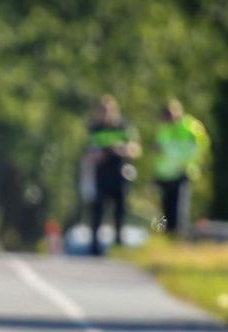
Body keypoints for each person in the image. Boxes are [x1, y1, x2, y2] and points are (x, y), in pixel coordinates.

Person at [83, 95, 141, 255]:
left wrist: (120, 149)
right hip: (101, 175)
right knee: (98, 210)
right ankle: (94, 246)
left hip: (120, 173)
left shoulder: (123, 127)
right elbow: (88, 152)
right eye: (102, 111)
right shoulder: (95, 129)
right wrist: (98, 154)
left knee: (120, 211)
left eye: (108, 111)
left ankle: (118, 244)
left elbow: (135, 149)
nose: (105, 114)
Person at [153, 99, 208, 238]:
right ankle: (166, 236)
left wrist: (168, 152)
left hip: (182, 172)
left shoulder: (190, 128)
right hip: (165, 175)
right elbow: (159, 151)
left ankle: (179, 237)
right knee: (165, 210)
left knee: (179, 209)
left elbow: (195, 151)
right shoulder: (164, 128)